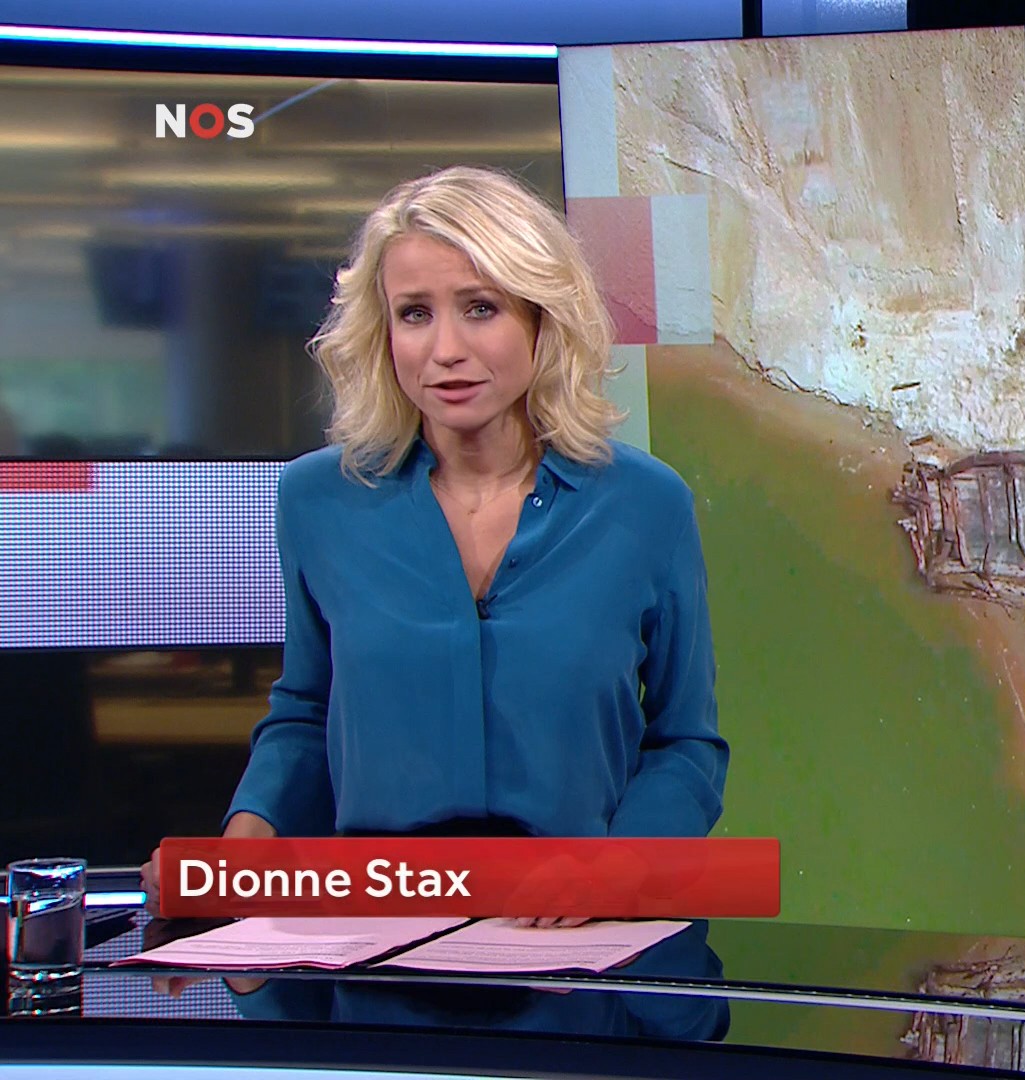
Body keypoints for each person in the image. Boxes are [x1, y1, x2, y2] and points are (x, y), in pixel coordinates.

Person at [140, 165, 726, 937]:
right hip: (374, 930)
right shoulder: (319, 501)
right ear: (383, 334)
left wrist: (617, 866)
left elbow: (684, 743)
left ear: (541, 320)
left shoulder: (646, 504)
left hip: (575, 939)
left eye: (481, 308)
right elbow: (308, 713)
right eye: (414, 314)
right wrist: (239, 852)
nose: (446, 349)